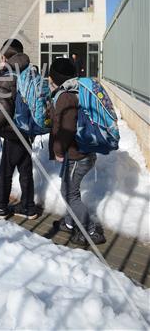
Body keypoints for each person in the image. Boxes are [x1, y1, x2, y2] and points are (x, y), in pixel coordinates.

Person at [48, 58, 106, 246]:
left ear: (54, 78)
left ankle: (90, 231)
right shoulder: (78, 88)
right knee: (68, 189)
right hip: (84, 151)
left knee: (70, 194)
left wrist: (58, 150)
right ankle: (70, 222)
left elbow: (66, 129)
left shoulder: (65, 96)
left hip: (76, 155)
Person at [0, 39, 38, 220]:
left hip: (12, 130)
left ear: (5, 55)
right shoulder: (31, 70)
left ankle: (1, 207)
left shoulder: (7, 73)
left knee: (5, 171)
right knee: (26, 170)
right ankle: (28, 207)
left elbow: (4, 109)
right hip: (28, 128)